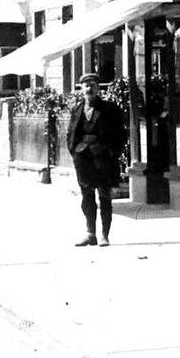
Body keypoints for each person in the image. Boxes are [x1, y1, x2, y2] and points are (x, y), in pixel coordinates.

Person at [66, 73, 128, 247]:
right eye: (86, 86)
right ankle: (90, 233)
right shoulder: (77, 109)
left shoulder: (109, 109)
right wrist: (74, 152)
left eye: (92, 85)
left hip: (102, 157)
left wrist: (110, 152)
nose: (89, 88)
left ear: (98, 88)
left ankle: (104, 235)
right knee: (87, 196)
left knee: (104, 195)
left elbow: (121, 134)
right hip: (83, 158)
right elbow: (70, 133)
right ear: (81, 89)